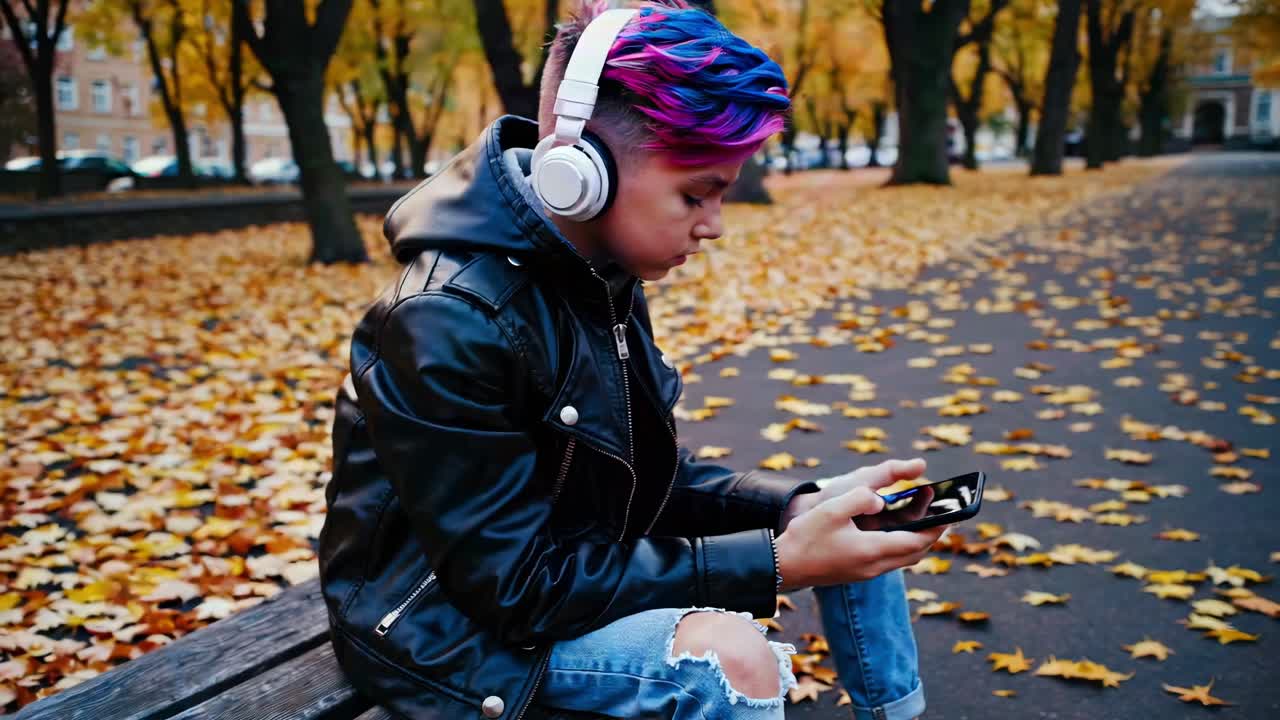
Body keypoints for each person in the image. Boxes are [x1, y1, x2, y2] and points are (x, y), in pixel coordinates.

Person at [317, 1, 942, 718]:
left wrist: (795, 508)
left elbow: (639, 479)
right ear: (579, 172)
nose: (713, 225)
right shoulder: (444, 320)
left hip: (551, 569)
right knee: (726, 662)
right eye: (695, 193)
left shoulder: (599, 270)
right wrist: (775, 564)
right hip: (446, 629)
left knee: (848, 513)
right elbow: (516, 590)